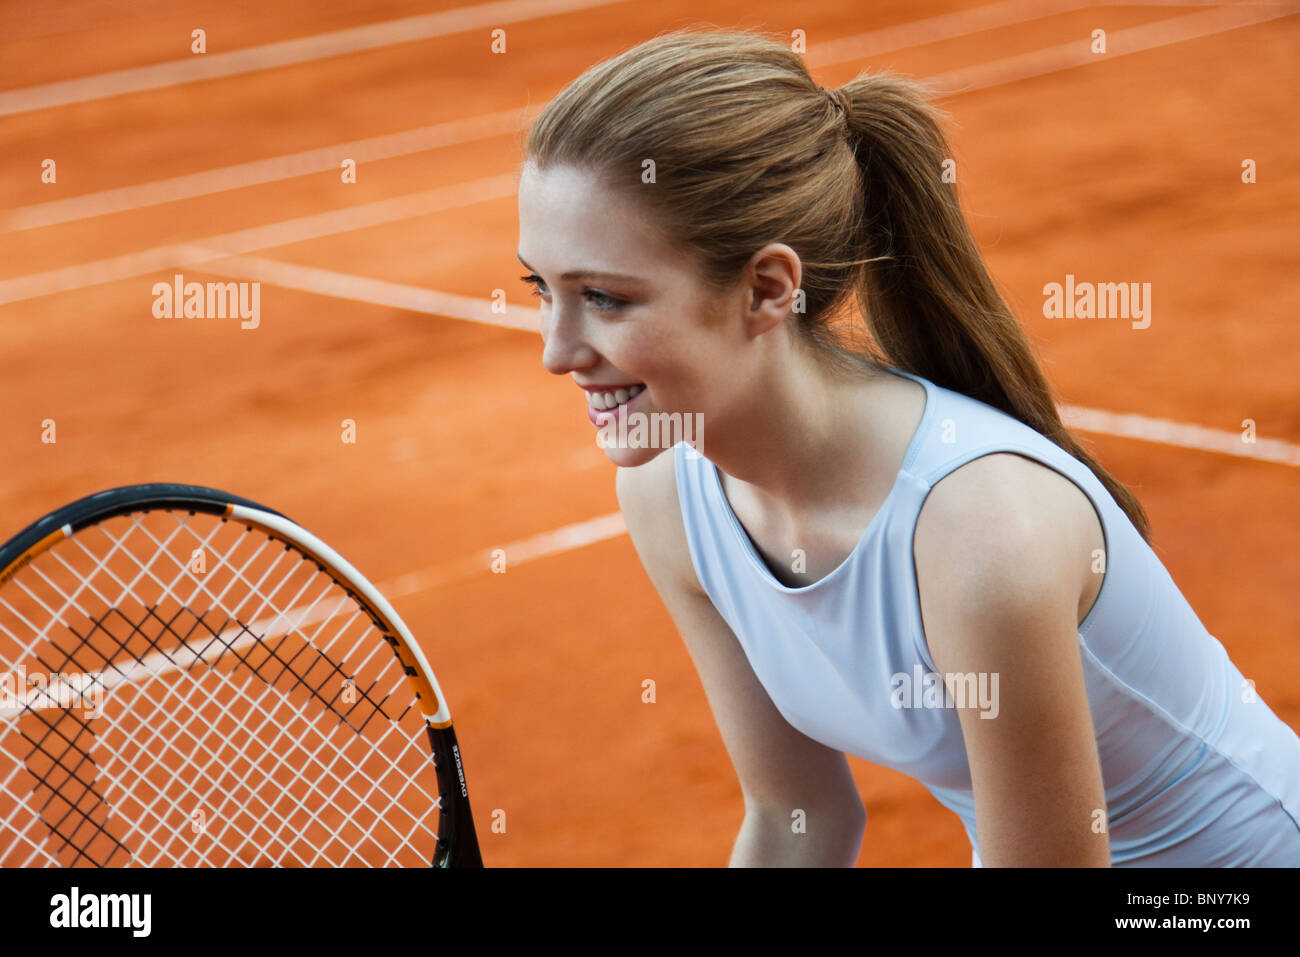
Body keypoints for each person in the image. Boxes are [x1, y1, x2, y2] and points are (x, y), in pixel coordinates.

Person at [514, 27, 1300, 866]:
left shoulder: (982, 533)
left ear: (768, 289)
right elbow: (794, 818)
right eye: (541, 289)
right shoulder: (669, 497)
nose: (557, 351)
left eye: (603, 297)